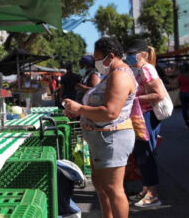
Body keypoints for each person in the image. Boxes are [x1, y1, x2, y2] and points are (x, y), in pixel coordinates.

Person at [63, 37, 137, 218]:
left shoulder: (120, 75)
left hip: (112, 139)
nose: (96, 63)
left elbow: (110, 112)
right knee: (102, 186)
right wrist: (82, 112)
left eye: (97, 58)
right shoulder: (111, 75)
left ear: (110, 56)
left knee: (114, 189)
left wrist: (80, 108)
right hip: (101, 139)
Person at [126, 39, 166, 207]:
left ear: (142, 55)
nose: (128, 57)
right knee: (141, 155)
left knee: (146, 155)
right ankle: (146, 190)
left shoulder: (146, 69)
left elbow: (159, 94)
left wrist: (133, 98)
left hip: (148, 116)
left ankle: (152, 195)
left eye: (131, 54)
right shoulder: (139, 69)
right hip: (143, 116)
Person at [178, 63, 189, 128]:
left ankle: (187, 123)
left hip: (182, 93)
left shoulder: (180, 76)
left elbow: (178, 85)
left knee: (184, 109)